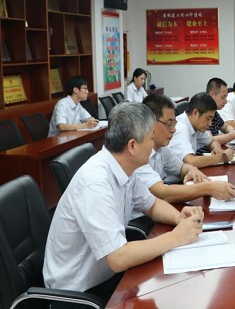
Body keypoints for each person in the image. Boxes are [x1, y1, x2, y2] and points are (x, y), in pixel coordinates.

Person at [43, 102, 203, 306]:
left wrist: (179, 218)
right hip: (79, 294)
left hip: (107, 276)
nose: (153, 145)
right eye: (151, 138)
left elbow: (152, 205)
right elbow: (118, 258)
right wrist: (176, 237)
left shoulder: (123, 167)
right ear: (132, 146)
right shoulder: (96, 184)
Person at [130, 94, 235, 213]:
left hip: (156, 211)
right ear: (150, 124)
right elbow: (163, 194)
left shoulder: (162, 148)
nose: (173, 129)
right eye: (169, 123)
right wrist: (209, 188)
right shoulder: (137, 154)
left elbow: (182, 168)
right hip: (140, 220)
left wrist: (191, 170)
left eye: (174, 123)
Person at [169, 92, 235, 168]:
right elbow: (191, 161)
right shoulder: (181, 128)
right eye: (208, 118)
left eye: (211, 119)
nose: (210, 124)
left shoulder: (196, 125)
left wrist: (216, 148)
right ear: (195, 113)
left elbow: (212, 141)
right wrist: (222, 157)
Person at [206, 77, 235, 144]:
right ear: (212, 95)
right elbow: (210, 140)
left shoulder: (215, 113)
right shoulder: (203, 113)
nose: (225, 102)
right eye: (223, 97)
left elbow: (225, 127)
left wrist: (234, 130)